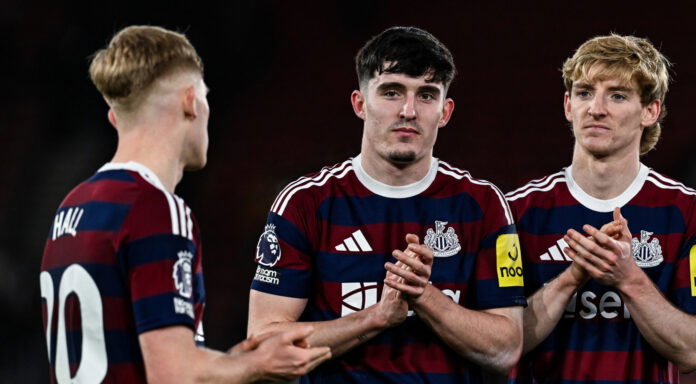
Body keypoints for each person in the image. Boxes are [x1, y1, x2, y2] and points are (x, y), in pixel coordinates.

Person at [40, 25, 330, 383]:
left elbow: (129, 354)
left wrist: (227, 362)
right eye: (206, 95)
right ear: (191, 101)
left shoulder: (71, 207)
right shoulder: (156, 209)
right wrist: (257, 365)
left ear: (116, 118)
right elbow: (172, 375)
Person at [248, 26, 526, 383]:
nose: (409, 111)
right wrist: (376, 317)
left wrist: (424, 296)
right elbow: (263, 343)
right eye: (392, 92)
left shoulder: (484, 205)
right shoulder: (305, 203)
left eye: (426, 95)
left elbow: (505, 349)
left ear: (445, 112)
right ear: (360, 104)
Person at [505, 34, 696, 383]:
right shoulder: (518, 210)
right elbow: (500, 350)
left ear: (650, 111)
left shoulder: (687, 211)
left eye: (617, 95)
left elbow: (694, 352)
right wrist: (572, 277)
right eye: (584, 92)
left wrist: (628, 277)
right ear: (567, 105)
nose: (596, 108)